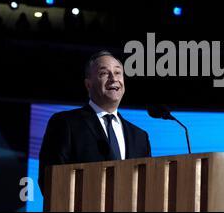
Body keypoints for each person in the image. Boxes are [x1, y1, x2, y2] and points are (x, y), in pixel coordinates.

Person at [38, 50, 152, 195]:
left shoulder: (140, 137)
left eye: (118, 73)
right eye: (104, 73)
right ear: (88, 84)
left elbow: (146, 189)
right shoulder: (66, 123)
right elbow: (50, 182)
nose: (113, 78)